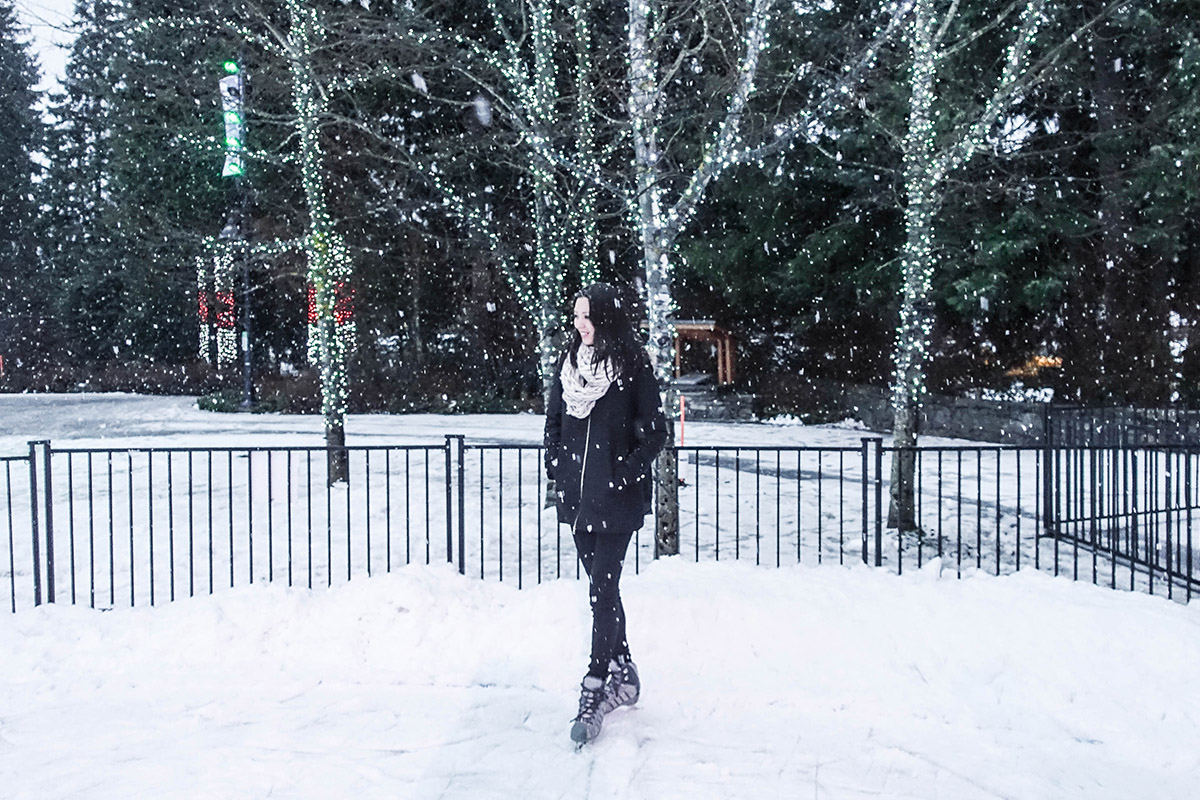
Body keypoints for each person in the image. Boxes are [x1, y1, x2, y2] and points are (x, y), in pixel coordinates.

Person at [544, 282, 668, 746]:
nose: (580, 325)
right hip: (576, 499)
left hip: (617, 500)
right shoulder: (569, 362)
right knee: (604, 591)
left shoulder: (633, 368)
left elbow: (655, 433)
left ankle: (596, 685)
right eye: (576, 316)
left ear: (607, 318)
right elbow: (554, 420)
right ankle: (625, 671)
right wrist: (555, 461)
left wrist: (624, 472)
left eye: (587, 317)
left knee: (601, 589)